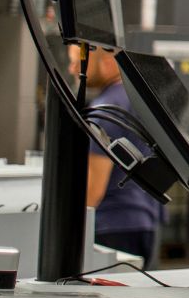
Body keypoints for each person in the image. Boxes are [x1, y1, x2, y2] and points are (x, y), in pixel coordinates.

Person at [71, 46, 166, 266]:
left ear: (106, 63)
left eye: (79, 62)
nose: (73, 68)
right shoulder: (137, 99)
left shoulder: (105, 110)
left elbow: (92, 191)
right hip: (144, 221)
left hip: (111, 226)